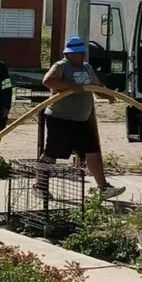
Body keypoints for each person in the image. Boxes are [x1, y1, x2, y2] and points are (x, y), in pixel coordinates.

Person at [38, 37, 125, 200]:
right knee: (51, 153)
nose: (80, 56)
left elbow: (96, 87)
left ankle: (103, 187)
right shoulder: (61, 66)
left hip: (82, 119)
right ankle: (40, 185)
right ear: (68, 54)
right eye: (76, 53)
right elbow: (48, 81)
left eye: (81, 53)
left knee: (92, 152)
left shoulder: (87, 68)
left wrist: (108, 95)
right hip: (60, 118)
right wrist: (70, 85)